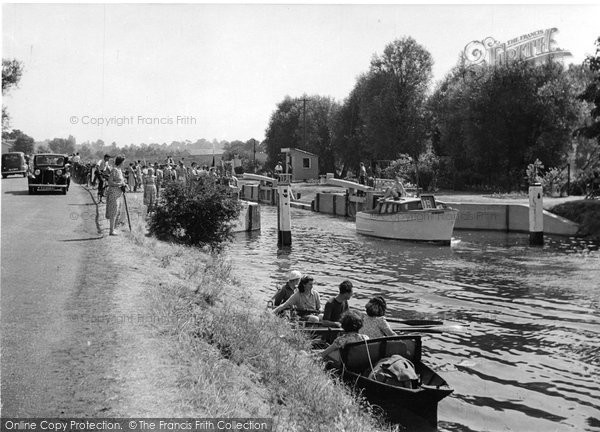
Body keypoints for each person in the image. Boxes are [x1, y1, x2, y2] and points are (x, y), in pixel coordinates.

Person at [105, 155, 128, 236]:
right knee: (113, 211)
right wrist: (119, 184)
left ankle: (114, 229)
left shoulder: (120, 170)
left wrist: (124, 184)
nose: (124, 163)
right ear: (120, 162)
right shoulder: (114, 170)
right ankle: (111, 230)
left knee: (117, 211)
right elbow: (110, 182)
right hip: (113, 193)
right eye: (123, 162)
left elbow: (122, 181)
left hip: (119, 194)